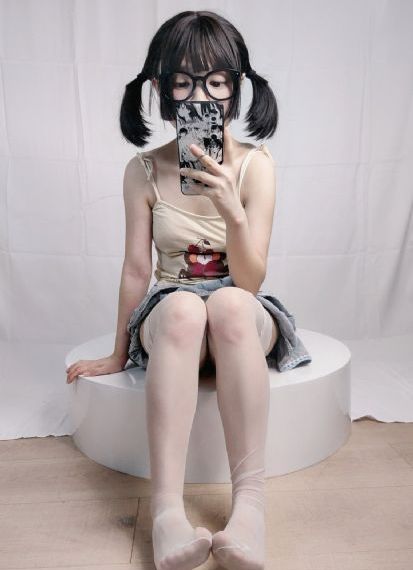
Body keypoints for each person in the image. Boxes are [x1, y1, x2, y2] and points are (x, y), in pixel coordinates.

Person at [66, 10, 312, 570]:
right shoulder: (143, 170)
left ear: (235, 88)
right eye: (183, 82)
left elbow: (250, 282)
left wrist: (231, 209)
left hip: (238, 312)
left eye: (216, 82)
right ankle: (166, 514)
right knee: (181, 308)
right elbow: (137, 269)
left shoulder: (255, 166)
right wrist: (118, 351)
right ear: (161, 90)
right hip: (172, 313)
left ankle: (250, 510)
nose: (201, 95)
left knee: (228, 303)